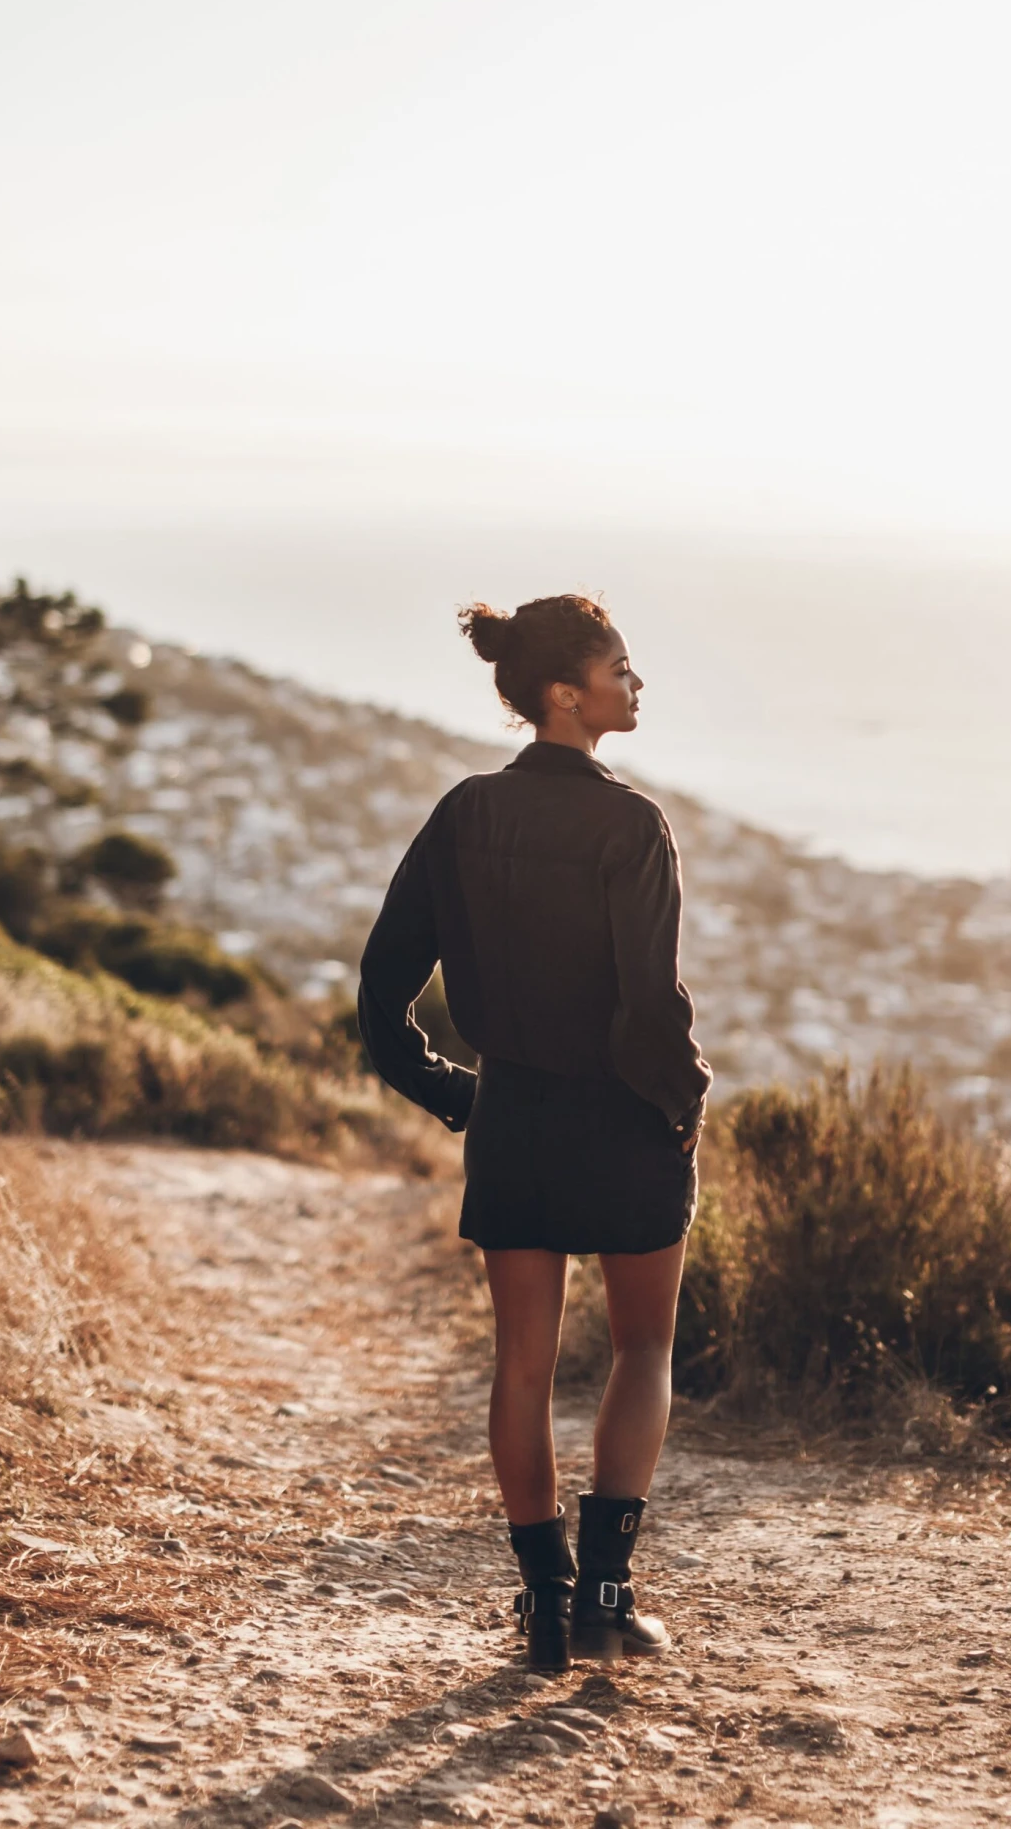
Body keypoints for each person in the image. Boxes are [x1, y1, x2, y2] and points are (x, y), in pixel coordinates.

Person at [357, 593, 711, 1671]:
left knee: (522, 1365)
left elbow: (382, 995)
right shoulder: (633, 823)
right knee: (644, 1346)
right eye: (622, 668)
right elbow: (650, 1006)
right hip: (622, 1120)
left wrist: (461, 1095)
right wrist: (682, 1102)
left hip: (511, 1118)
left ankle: (544, 1606)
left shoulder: (465, 813)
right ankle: (609, 1596)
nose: (636, 684)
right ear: (568, 694)